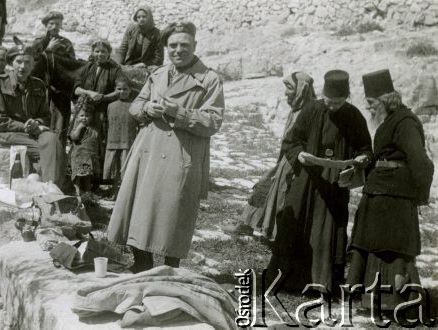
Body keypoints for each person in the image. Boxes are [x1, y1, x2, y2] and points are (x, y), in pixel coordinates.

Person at [107, 21, 225, 273]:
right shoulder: (159, 74)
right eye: (173, 45)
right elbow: (135, 105)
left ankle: (171, 269)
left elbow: (213, 122)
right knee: (140, 207)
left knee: (174, 211)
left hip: (182, 152)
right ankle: (141, 263)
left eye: (184, 45)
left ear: (195, 45)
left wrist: (180, 113)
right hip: (149, 149)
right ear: (166, 48)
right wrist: (147, 108)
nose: (178, 50)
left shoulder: (209, 79)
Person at [265, 70, 373, 293]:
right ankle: (288, 281)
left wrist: (362, 159)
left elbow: (365, 148)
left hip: (335, 184)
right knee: (294, 224)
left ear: (346, 98)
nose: (332, 106)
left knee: (327, 229)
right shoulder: (312, 109)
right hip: (307, 178)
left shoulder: (354, 116)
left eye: (338, 102)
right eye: (329, 101)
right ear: (323, 95)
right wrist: (300, 155)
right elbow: (292, 141)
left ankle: (321, 284)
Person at [347, 69, 434, 312]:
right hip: (380, 193)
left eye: (372, 103)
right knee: (373, 243)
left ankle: (392, 301)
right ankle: (373, 299)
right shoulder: (390, 120)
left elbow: (420, 161)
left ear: (385, 100)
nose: (369, 108)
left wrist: (419, 194)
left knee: (391, 247)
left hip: (395, 197)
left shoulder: (406, 123)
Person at [224, 72, 316, 238]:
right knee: (265, 184)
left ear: (301, 90)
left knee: (281, 195)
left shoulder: (311, 112)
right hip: (285, 160)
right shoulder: (296, 109)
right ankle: (247, 223)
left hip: (296, 164)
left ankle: (275, 233)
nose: (286, 93)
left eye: (289, 88)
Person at [0, 44, 66, 188]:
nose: (23, 66)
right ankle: (50, 188)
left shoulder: (38, 84)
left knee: (53, 139)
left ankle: (49, 187)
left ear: (33, 64)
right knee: (50, 150)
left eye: (27, 62)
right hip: (7, 133)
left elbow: (46, 116)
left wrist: (36, 122)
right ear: (11, 64)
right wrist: (24, 126)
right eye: (19, 62)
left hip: (32, 132)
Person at [73, 39, 122, 173]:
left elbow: (120, 90)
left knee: (99, 141)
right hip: (84, 111)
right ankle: (80, 175)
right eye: (97, 51)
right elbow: (76, 89)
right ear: (93, 52)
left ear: (109, 53)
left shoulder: (115, 69)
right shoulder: (87, 67)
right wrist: (89, 92)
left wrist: (103, 97)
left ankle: (99, 177)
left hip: (103, 111)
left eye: (103, 52)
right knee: (81, 140)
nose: (100, 54)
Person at [34, 11, 76, 146]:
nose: (55, 26)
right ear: (46, 25)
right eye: (51, 23)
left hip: (60, 90)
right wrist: (48, 50)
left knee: (60, 122)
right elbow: (33, 65)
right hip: (40, 89)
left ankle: (59, 153)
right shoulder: (38, 42)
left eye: (58, 24)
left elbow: (71, 65)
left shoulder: (66, 43)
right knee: (42, 121)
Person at [102, 76, 139, 198]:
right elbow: (106, 123)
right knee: (113, 168)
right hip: (112, 140)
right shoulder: (110, 106)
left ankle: (123, 194)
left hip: (127, 141)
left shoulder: (133, 105)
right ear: (115, 89)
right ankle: (113, 190)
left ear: (129, 90)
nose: (122, 91)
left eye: (125, 89)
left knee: (125, 168)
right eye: (119, 89)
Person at [68, 95, 101, 195]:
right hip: (79, 155)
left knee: (87, 176)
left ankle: (88, 192)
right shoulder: (78, 126)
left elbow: (96, 140)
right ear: (77, 117)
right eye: (82, 116)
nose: (84, 118)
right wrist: (80, 127)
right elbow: (73, 137)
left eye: (87, 116)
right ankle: (77, 191)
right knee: (77, 175)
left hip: (89, 156)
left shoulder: (93, 128)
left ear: (91, 117)